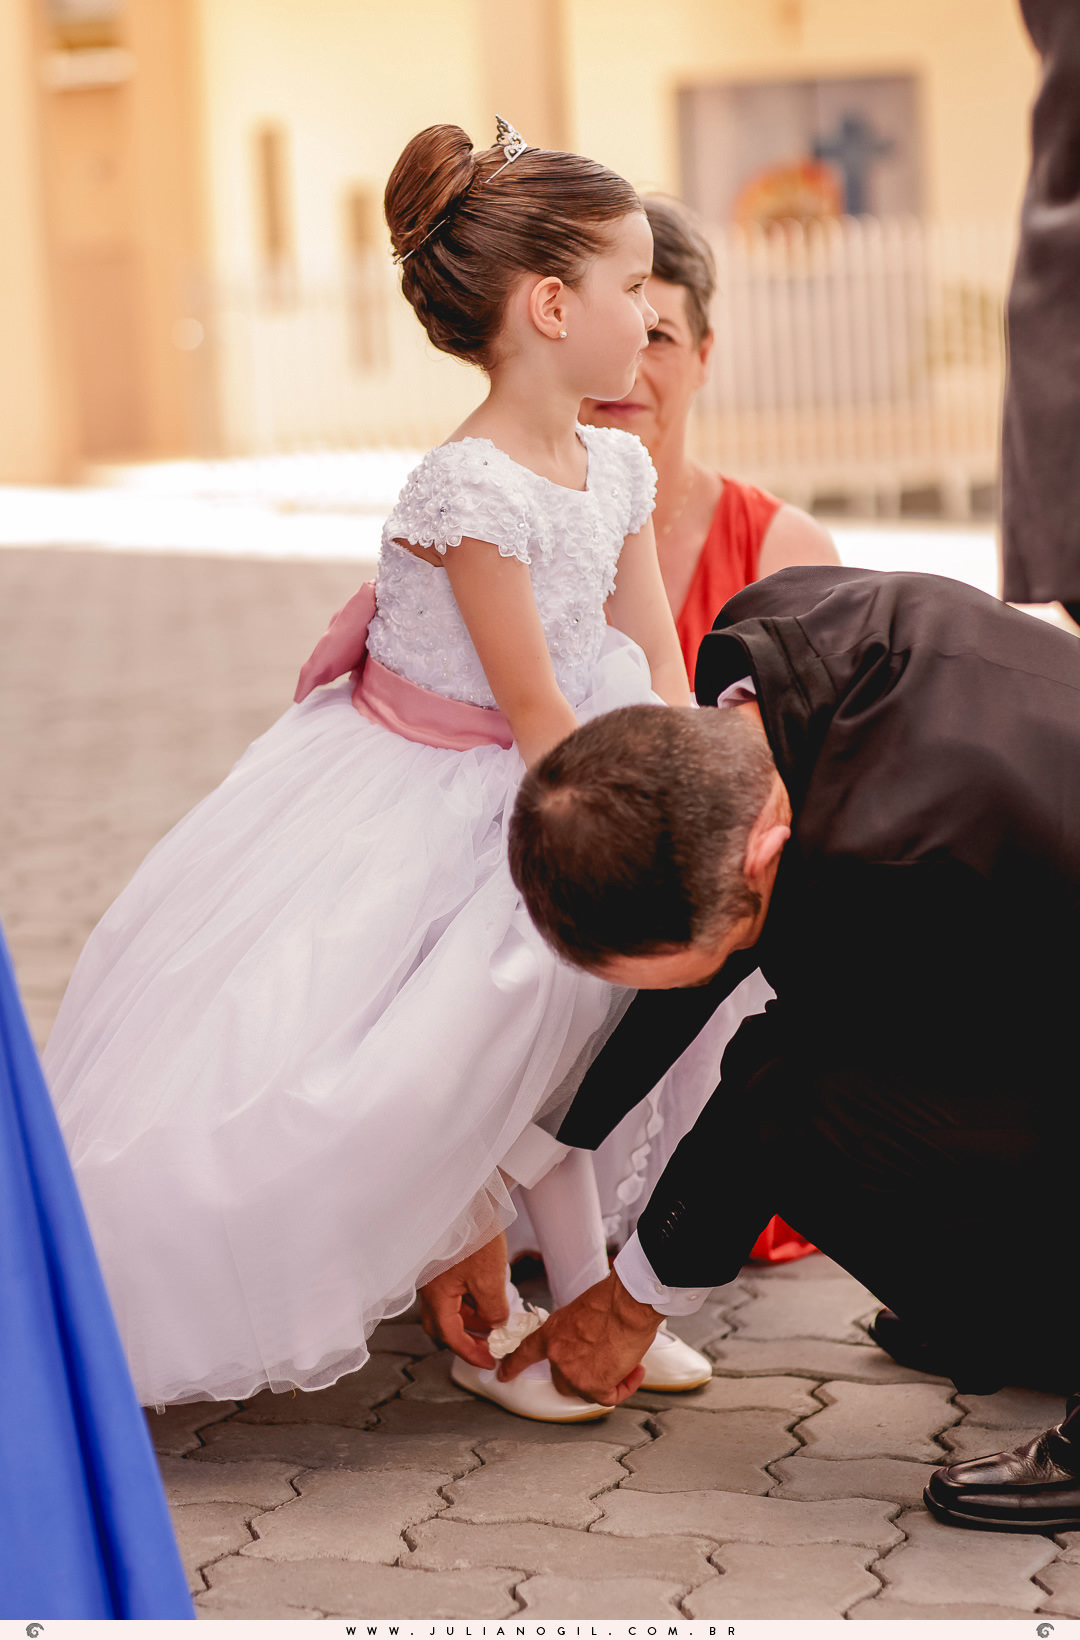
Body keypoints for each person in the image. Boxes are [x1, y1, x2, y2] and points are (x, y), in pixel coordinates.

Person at [43, 119, 710, 1422]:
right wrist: (628, 845)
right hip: (461, 801)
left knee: (563, 1057)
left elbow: (656, 661)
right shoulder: (467, 492)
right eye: (633, 287)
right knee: (406, 1073)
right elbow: (534, 715)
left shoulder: (615, 464)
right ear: (550, 305)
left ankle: (592, 1291)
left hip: (578, 775)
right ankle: (493, 1308)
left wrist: (699, 791)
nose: (649, 311)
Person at [500, 563, 1080, 1531]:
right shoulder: (765, 650)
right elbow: (687, 972)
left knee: (816, 1103)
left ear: (766, 857)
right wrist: (509, 1173)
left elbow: (781, 1082)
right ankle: (1031, 1328)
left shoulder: (899, 859)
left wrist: (630, 1304)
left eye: (711, 952)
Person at [579, 194, 837, 1261]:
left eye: (662, 338)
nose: (630, 369)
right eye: (616, 330)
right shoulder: (526, 534)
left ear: (704, 354)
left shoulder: (781, 543)